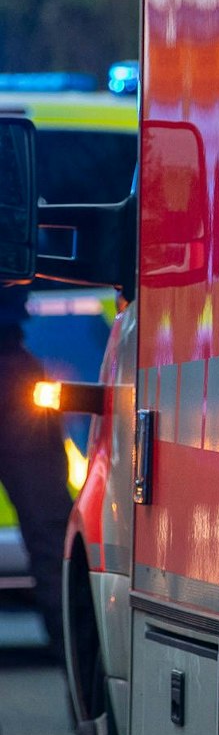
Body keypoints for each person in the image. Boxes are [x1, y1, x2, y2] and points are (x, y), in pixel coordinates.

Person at [0, 280, 71, 667]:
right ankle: (90, 705)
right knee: (52, 543)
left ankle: (89, 701)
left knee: (53, 544)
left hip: (9, 365)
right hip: (9, 365)